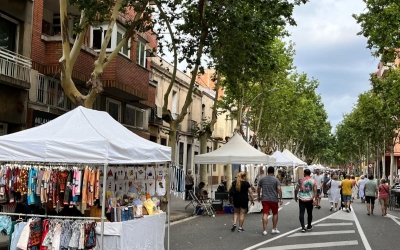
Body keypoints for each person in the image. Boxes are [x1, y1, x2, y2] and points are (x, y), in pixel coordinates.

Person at [257, 167, 283, 236]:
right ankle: (274, 229)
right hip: (274, 199)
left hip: (265, 199)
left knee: (265, 213)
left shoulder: (262, 179)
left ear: (267, 172)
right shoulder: (276, 180)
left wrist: (259, 196)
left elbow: (258, 188)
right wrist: (281, 198)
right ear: (273, 172)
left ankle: (264, 230)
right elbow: (279, 189)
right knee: (275, 213)